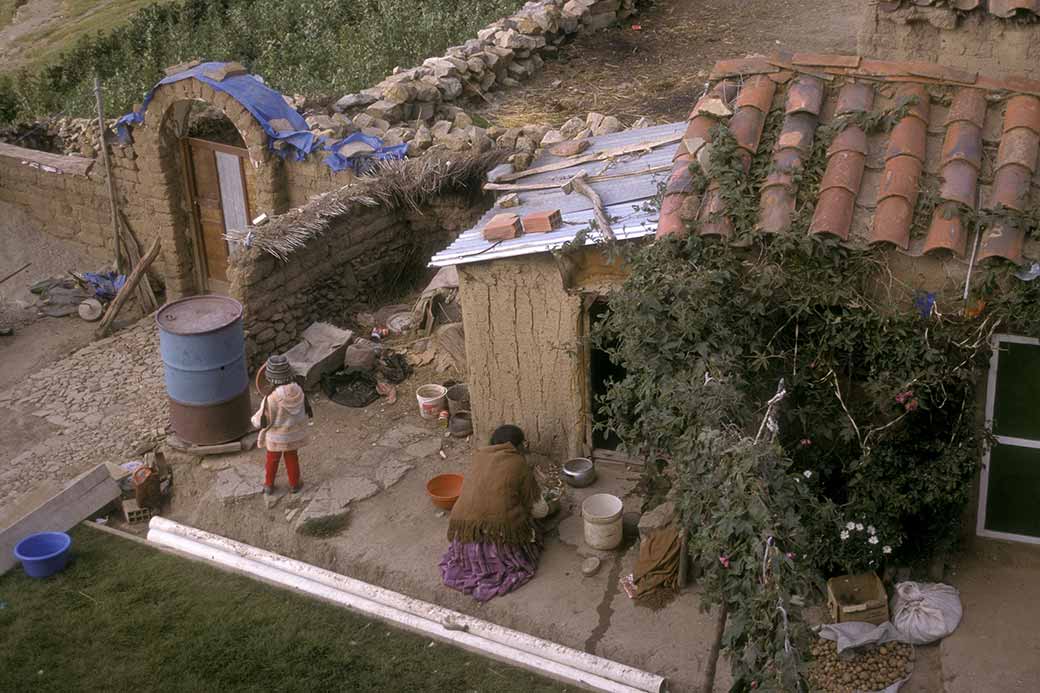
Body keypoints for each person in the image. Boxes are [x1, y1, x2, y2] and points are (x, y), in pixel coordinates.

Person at [440, 424, 547, 602]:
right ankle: (501, 559)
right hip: (499, 538)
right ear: (518, 446)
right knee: (532, 529)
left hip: (465, 537)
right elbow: (539, 511)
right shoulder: (519, 464)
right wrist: (549, 505)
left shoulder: (480, 456)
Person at [251, 354, 313, 495]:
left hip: (276, 438)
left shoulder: (271, 398)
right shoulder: (299, 391)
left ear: (270, 378)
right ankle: (294, 484)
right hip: (294, 435)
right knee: (292, 458)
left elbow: (261, 419)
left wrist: (253, 420)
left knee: (272, 460)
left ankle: (268, 485)